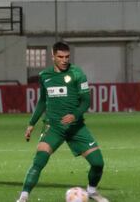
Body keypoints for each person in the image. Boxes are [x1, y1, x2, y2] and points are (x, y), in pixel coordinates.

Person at [16, 42, 109, 202]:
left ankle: (92, 191)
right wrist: (31, 123)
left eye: (67, 57)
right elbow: (42, 101)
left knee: (98, 163)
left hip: (76, 128)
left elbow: (86, 101)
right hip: (54, 127)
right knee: (39, 161)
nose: (64, 60)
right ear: (53, 56)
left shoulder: (77, 73)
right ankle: (23, 197)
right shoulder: (45, 76)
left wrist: (74, 115)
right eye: (60, 57)